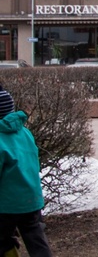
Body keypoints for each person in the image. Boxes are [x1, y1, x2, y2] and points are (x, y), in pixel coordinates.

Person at [0, 86, 53, 257]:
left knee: (2, 240)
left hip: (6, 205)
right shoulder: (25, 133)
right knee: (37, 241)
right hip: (31, 200)